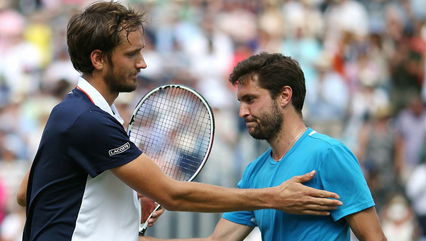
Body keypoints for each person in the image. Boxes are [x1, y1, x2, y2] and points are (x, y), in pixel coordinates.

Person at [18, 3, 343, 241]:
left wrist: (123, 208)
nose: (143, 63)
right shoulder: (87, 121)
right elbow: (174, 195)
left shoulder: (74, 112)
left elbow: (26, 194)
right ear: (98, 59)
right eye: (132, 54)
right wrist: (273, 197)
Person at [142, 53, 386, 241]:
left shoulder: (329, 153)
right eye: (240, 101)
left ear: (284, 96)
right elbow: (219, 239)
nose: (242, 112)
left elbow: (374, 237)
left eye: (251, 99)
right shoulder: (254, 172)